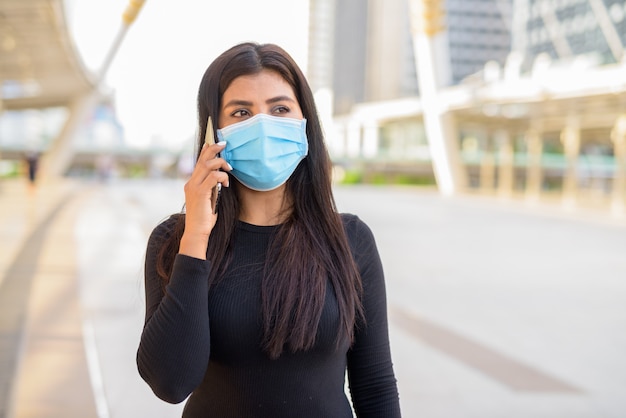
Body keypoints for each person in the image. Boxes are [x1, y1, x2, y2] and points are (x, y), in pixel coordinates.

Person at [136, 42, 402, 418]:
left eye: (280, 109)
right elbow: (170, 383)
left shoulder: (351, 240)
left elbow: (374, 385)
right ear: (214, 131)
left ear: (304, 122)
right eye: (241, 112)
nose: (263, 124)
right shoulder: (174, 241)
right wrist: (195, 235)